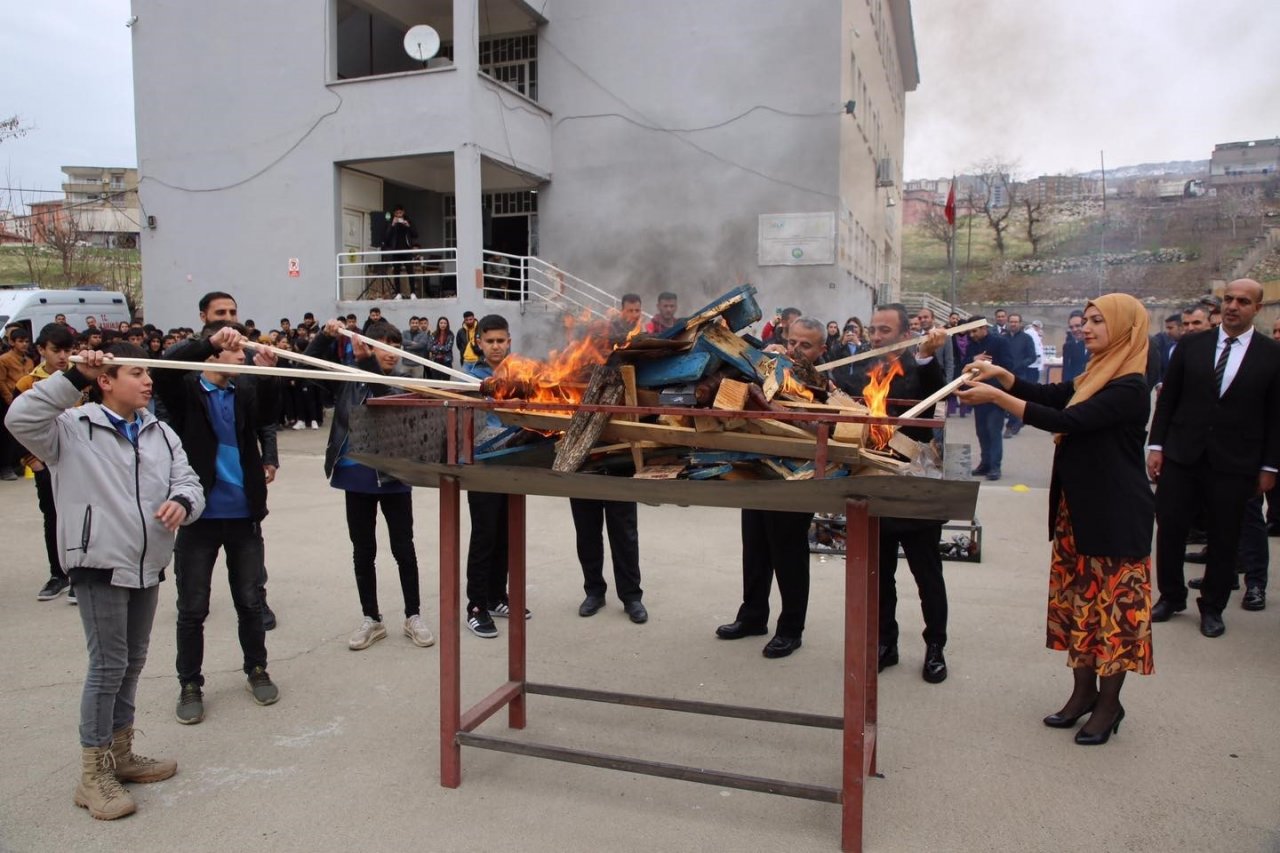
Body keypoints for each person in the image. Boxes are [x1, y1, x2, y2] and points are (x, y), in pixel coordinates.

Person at [6, 343, 205, 819]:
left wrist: (182, 501)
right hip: (98, 561)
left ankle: (121, 753)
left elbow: (190, 482)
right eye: (137, 372)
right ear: (106, 380)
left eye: (149, 373)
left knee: (132, 661)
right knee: (108, 664)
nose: (148, 381)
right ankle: (93, 774)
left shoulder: (160, 433)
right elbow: (19, 418)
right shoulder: (71, 429)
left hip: (148, 561)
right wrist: (72, 376)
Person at [957, 293, 1154, 746]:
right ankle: (1082, 692)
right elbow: (1051, 393)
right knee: (1080, 607)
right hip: (1079, 512)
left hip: (1116, 515)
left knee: (1113, 613)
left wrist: (996, 398)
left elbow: (1068, 418)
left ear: (1125, 328)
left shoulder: (1128, 385)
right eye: (1085, 321)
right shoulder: (1095, 374)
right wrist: (1005, 378)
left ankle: (1109, 704)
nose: (1086, 329)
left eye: (1098, 322)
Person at [153, 323, 282, 724]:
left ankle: (256, 669)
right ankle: (190, 683)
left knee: (249, 600)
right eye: (235, 349)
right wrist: (207, 341)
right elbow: (163, 370)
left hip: (243, 515)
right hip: (199, 517)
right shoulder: (187, 392)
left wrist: (269, 372)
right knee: (192, 608)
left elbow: (271, 415)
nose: (243, 355)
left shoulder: (242, 390)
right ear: (212, 354)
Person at [1147, 279, 1280, 638]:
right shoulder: (1192, 345)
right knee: (1171, 528)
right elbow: (1168, 399)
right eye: (1228, 299)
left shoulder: (1271, 355)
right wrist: (1156, 446)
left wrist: (1270, 467)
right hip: (1182, 454)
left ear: (1257, 308)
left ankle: (1213, 605)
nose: (1234, 306)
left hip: (1235, 462)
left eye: (1243, 301)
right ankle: (1171, 595)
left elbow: (1275, 416)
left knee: (1225, 535)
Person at [834, 306, 951, 682]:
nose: (876, 336)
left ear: (903, 334)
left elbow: (936, 395)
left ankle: (935, 647)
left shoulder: (919, 366)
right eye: (873, 329)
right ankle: (886, 642)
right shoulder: (860, 368)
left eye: (885, 330)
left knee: (927, 574)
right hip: (874, 481)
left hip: (914, 481)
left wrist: (928, 355)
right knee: (879, 574)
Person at [306, 319, 434, 651]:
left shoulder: (403, 382)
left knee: (403, 549)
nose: (392, 353)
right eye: (384, 345)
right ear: (367, 345)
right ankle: (371, 618)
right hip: (355, 474)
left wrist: (366, 363)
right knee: (363, 551)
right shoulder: (347, 379)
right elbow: (308, 366)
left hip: (394, 475)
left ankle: (413, 614)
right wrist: (324, 335)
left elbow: (383, 394)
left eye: (397, 346)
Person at [717, 316, 828, 659]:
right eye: (791, 341)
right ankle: (752, 615)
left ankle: (791, 627)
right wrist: (765, 356)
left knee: (788, 553)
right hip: (758, 466)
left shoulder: (824, 381)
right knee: (755, 547)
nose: (795, 349)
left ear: (821, 350)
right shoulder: (773, 363)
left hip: (795, 476)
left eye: (805, 345)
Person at [462, 314, 530, 637]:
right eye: (489, 341)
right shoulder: (467, 375)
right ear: (479, 343)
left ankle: (496, 595)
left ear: (509, 342)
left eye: (501, 340)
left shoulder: (519, 372)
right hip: (484, 465)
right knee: (484, 535)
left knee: (507, 532)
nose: (496, 346)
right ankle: (475, 605)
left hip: (514, 461)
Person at [17, 323, 79, 602]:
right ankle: (58, 574)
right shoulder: (28, 383)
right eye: (56, 350)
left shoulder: (81, 377)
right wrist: (33, 460)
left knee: (80, 515)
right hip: (45, 459)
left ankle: (80, 574)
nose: (63, 356)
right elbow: (16, 426)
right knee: (52, 516)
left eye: (68, 350)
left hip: (77, 458)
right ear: (41, 350)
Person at [963, 319, 1013, 480]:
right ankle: (985, 464)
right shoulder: (972, 345)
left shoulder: (999, 342)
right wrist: (974, 358)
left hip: (995, 394)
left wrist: (990, 368)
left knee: (993, 431)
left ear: (984, 328)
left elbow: (1008, 365)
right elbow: (963, 366)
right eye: (970, 332)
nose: (972, 335)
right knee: (981, 431)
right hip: (978, 394)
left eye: (974, 331)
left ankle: (994, 467)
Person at [0, 327, 36, 479]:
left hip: (26, 400)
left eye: (27, 341)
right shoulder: (4, 360)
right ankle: (5, 467)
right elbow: (1, 382)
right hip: (8, 401)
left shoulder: (29, 360)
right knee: (6, 436)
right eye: (20, 341)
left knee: (21, 435)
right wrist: (10, 400)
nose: (24, 344)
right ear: (12, 342)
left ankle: (18, 464)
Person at [1003, 314, 1036, 437]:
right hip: (1004, 373)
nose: (1013, 324)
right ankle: (1017, 420)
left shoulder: (1026, 338)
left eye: (1016, 322)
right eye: (1011, 322)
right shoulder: (1002, 338)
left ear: (1020, 323)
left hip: (1020, 374)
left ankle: (1010, 426)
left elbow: (1032, 356)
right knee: (1004, 400)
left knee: (1015, 400)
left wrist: (1022, 364)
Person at [380, 205, 417, 296]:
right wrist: (392, 225)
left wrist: (408, 226)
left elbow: (415, 235)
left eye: (400, 213)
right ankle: (398, 293)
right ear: (394, 214)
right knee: (396, 273)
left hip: (407, 250)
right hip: (396, 251)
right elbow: (386, 239)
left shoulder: (408, 221)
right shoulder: (391, 223)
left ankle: (412, 293)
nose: (399, 215)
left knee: (410, 272)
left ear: (403, 212)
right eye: (397, 213)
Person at [1061, 311, 1089, 383]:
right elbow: (1065, 373)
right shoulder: (1068, 346)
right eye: (1071, 327)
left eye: (1078, 326)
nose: (1074, 330)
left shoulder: (1099, 345)